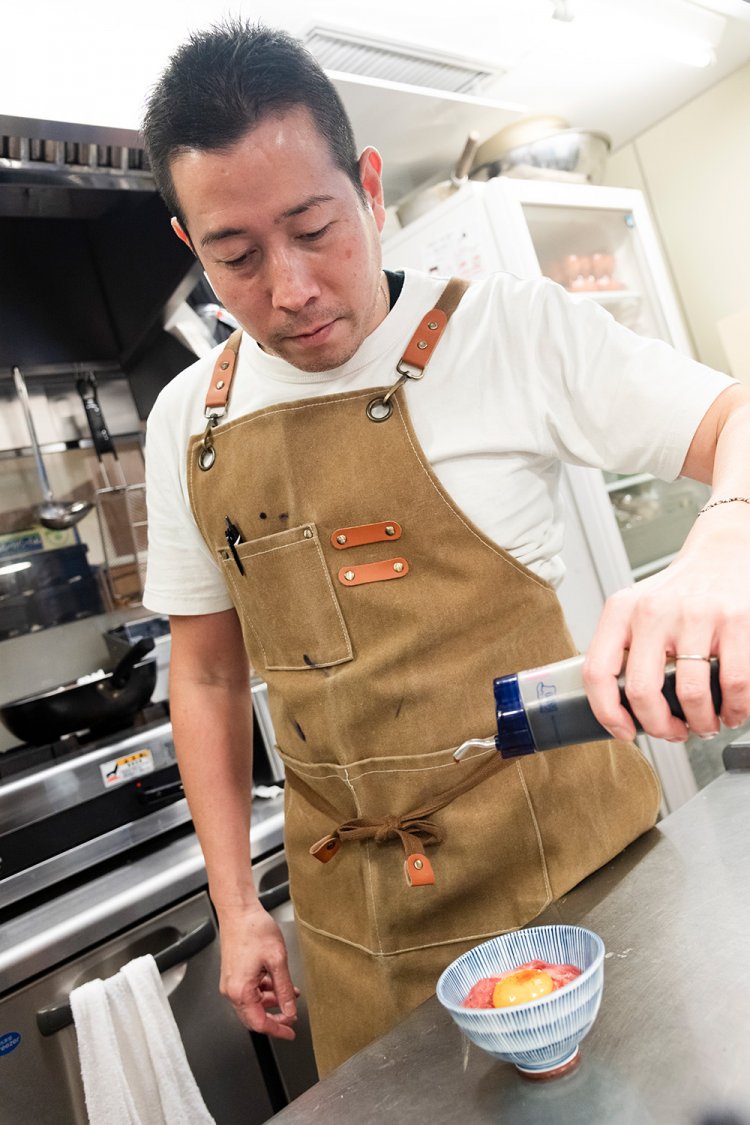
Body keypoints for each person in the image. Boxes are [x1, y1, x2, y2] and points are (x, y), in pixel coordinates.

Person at [141, 20, 750, 1077]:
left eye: (316, 228)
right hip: (357, 931)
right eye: (237, 256)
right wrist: (236, 906)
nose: (291, 289)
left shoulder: (511, 331)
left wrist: (723, 541)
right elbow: (202, 671)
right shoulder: (187, 421)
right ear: (193, 247)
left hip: (581, 880)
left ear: (369, 188)